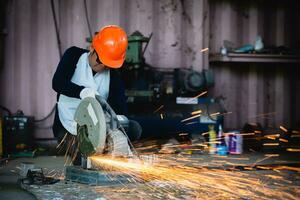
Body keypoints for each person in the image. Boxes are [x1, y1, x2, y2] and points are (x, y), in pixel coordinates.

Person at [52, 25, 141, 161]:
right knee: (87, 158)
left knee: (134, 128)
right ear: (92, 48)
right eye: (100, 60)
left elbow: (119, 109)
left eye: (108, 64)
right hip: (68, 125)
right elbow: (57, 83)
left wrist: (120, 136)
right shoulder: (73, 56)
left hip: (100, 127)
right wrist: (82, 91)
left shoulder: (114, 77)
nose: (102, 66)